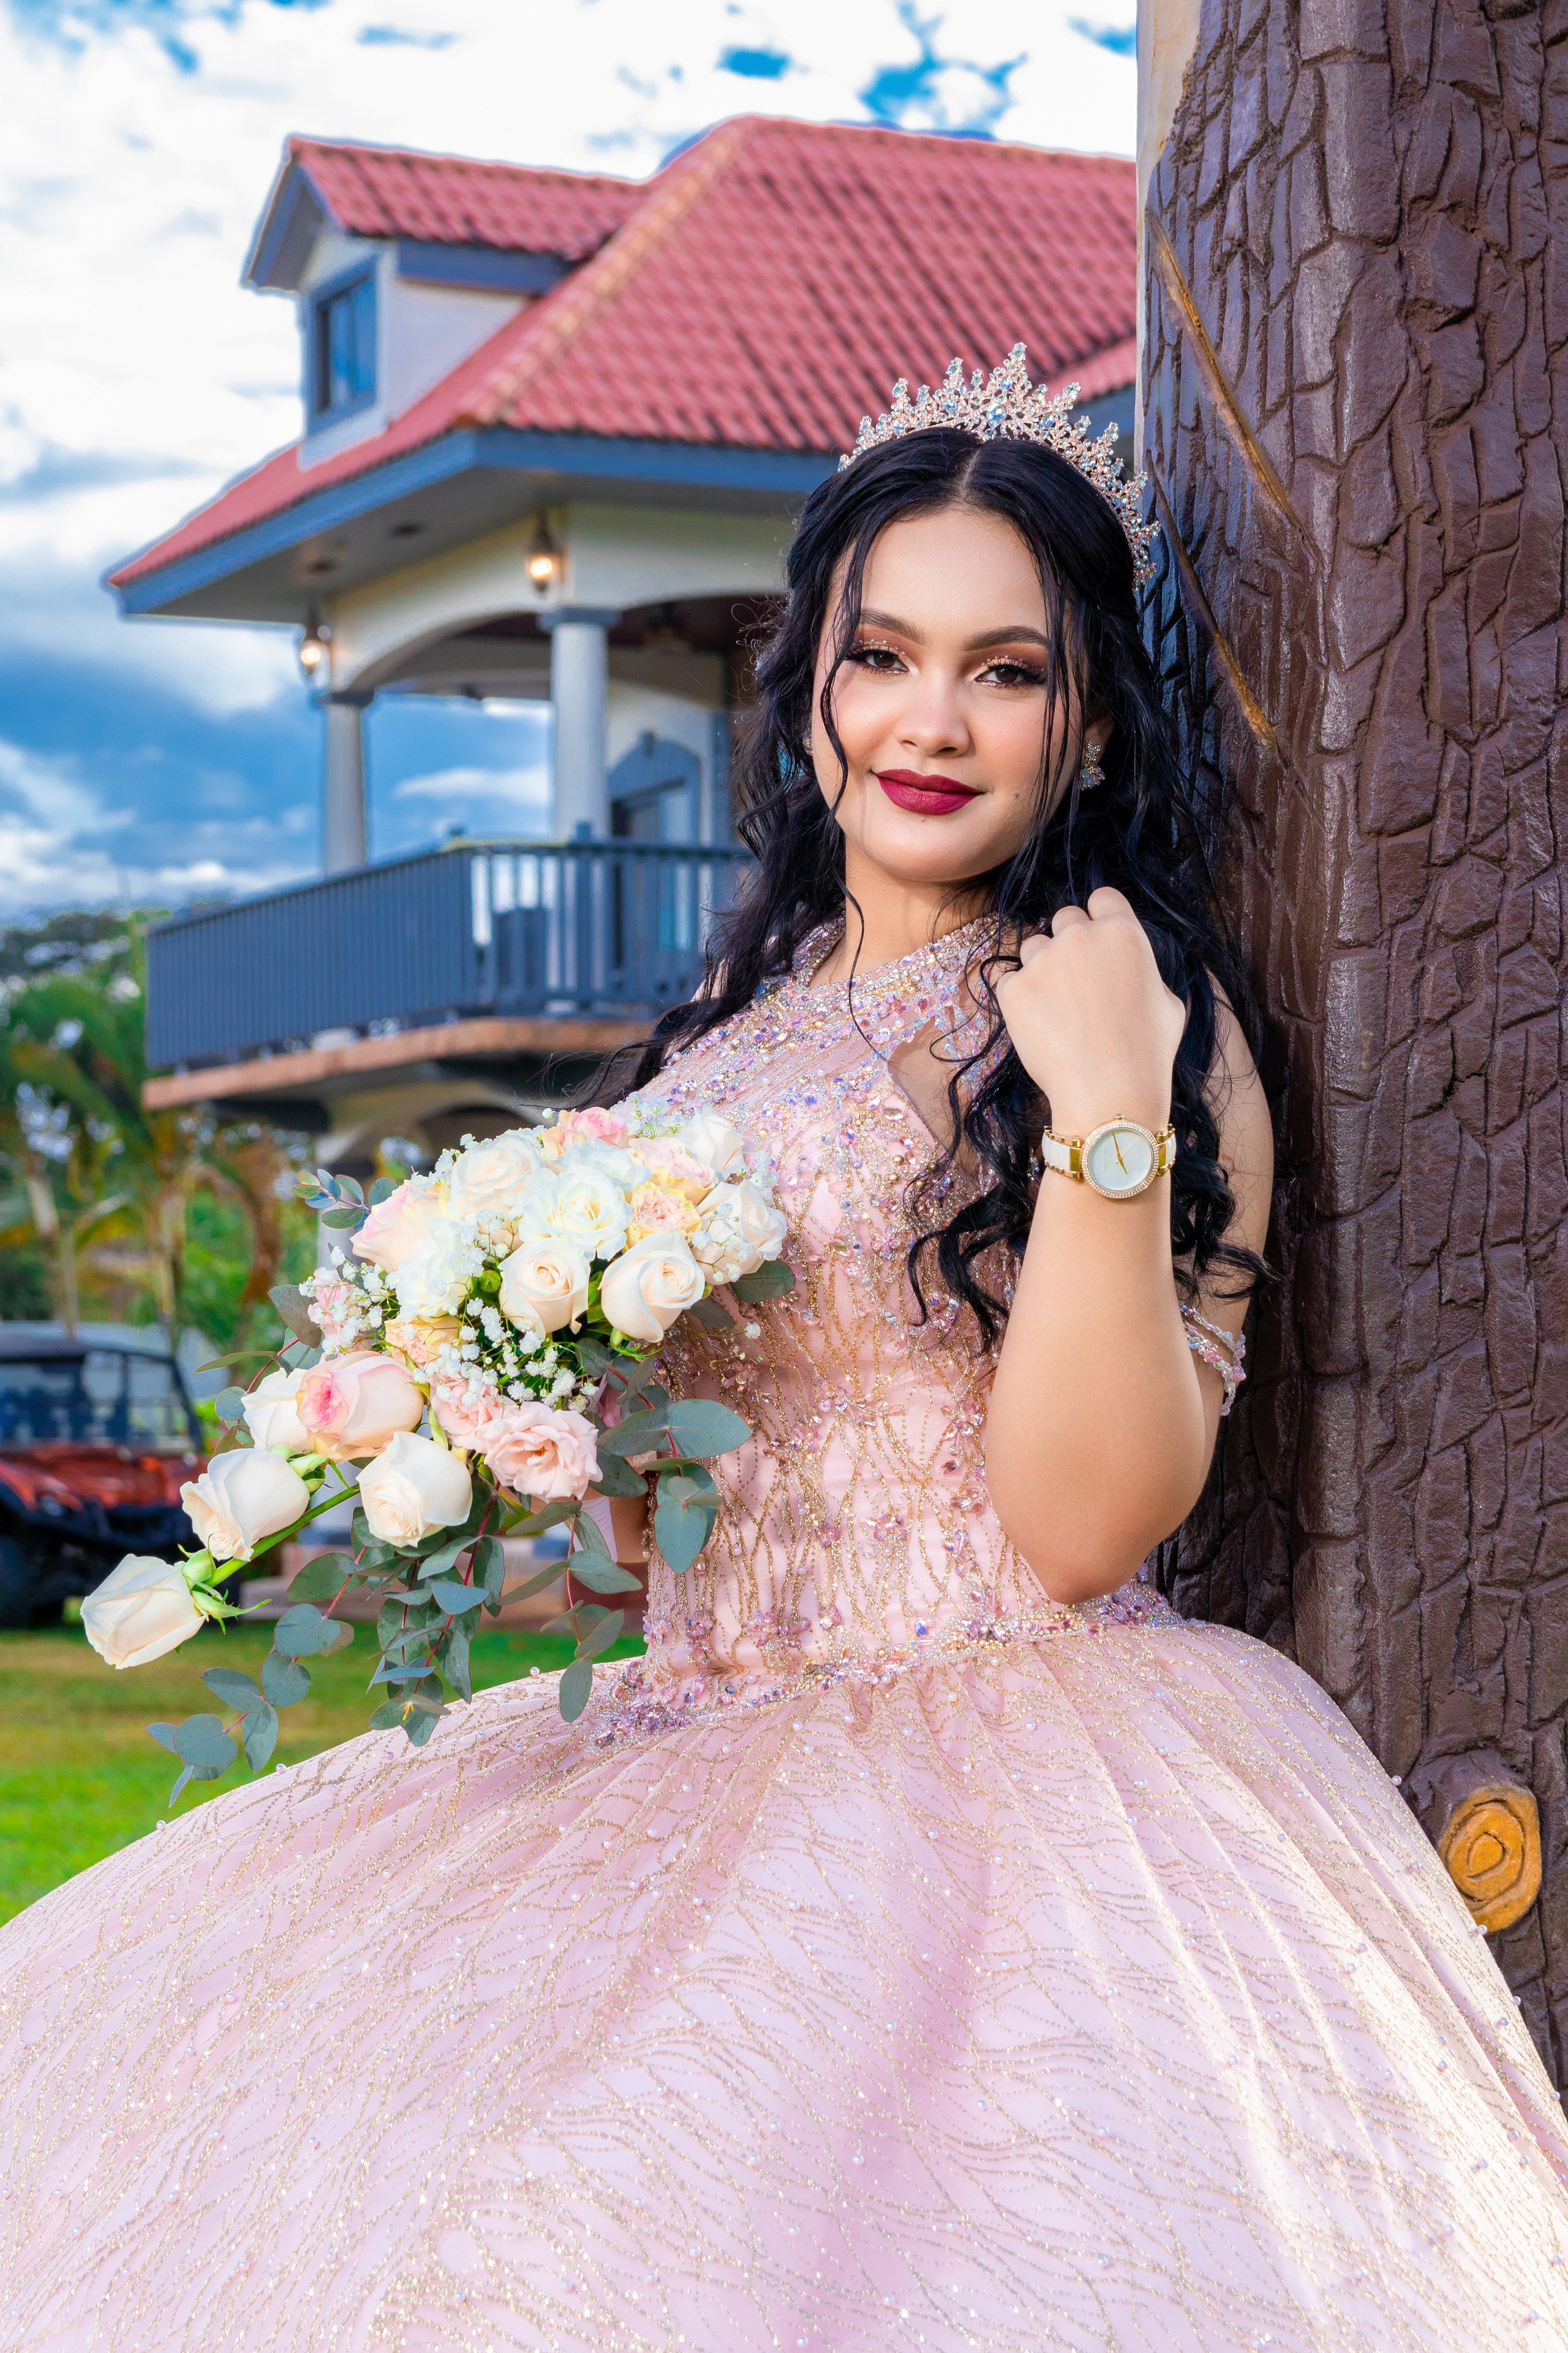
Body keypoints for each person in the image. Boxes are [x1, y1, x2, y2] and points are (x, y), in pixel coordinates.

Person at [2, 360, 1565, 2353]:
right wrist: (473, 1419)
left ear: (1086, 722)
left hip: (1023, 1800)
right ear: (807, 682)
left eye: (1007, 669)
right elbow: (650, 1535)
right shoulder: (708, 1051)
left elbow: (1083, 1525)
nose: (933, 718)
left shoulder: (1124, 1011)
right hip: (663, 1762)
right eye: (885, 653)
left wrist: (1106, 1119)